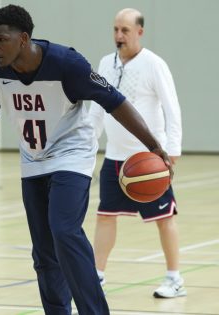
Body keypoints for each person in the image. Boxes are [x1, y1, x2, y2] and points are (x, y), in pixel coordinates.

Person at [0, 4, 173, 314]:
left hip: (72, 155)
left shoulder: (67, 64)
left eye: (1, 40)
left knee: (64, 230)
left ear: (23, 39)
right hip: (33, 159)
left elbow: (115, 103)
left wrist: (154, 145)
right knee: (44, 253)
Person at [89, 8, 185, 298]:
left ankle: (174, 278)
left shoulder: (154, 64)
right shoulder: (105, 63)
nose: (119, 36)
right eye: (116, 30)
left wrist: (172, 152)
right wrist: (88, 148)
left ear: (139, 32)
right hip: (115, 159)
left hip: (149, 161)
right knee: (105, 215)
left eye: (125, 31)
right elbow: (95, 111)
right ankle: (96, 275)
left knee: (164, 218)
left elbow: (172, 109)